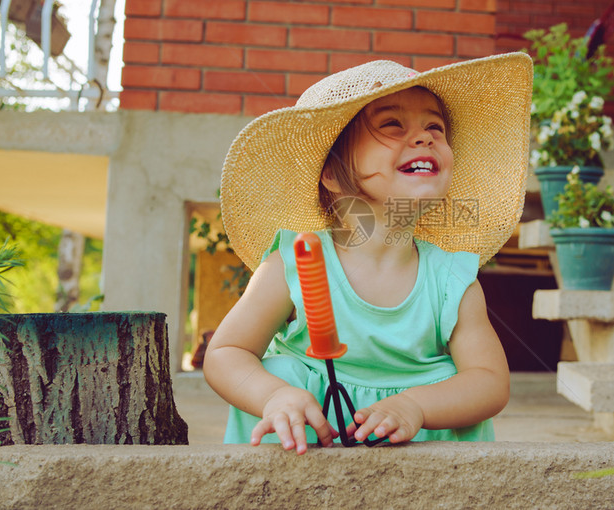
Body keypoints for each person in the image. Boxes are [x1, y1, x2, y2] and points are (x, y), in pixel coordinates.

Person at [204, 53, 533, 454]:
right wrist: (272, 396)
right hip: (306, 449)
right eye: (392, 125)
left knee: (453, 381)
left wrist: (416, 405)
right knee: (280, 371)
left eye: (435, 126)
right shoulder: (297, 262)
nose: (425, 136)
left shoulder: (451, 279)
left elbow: (489, 381)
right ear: (331, 171)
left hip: (418, 464)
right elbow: (226, 353)